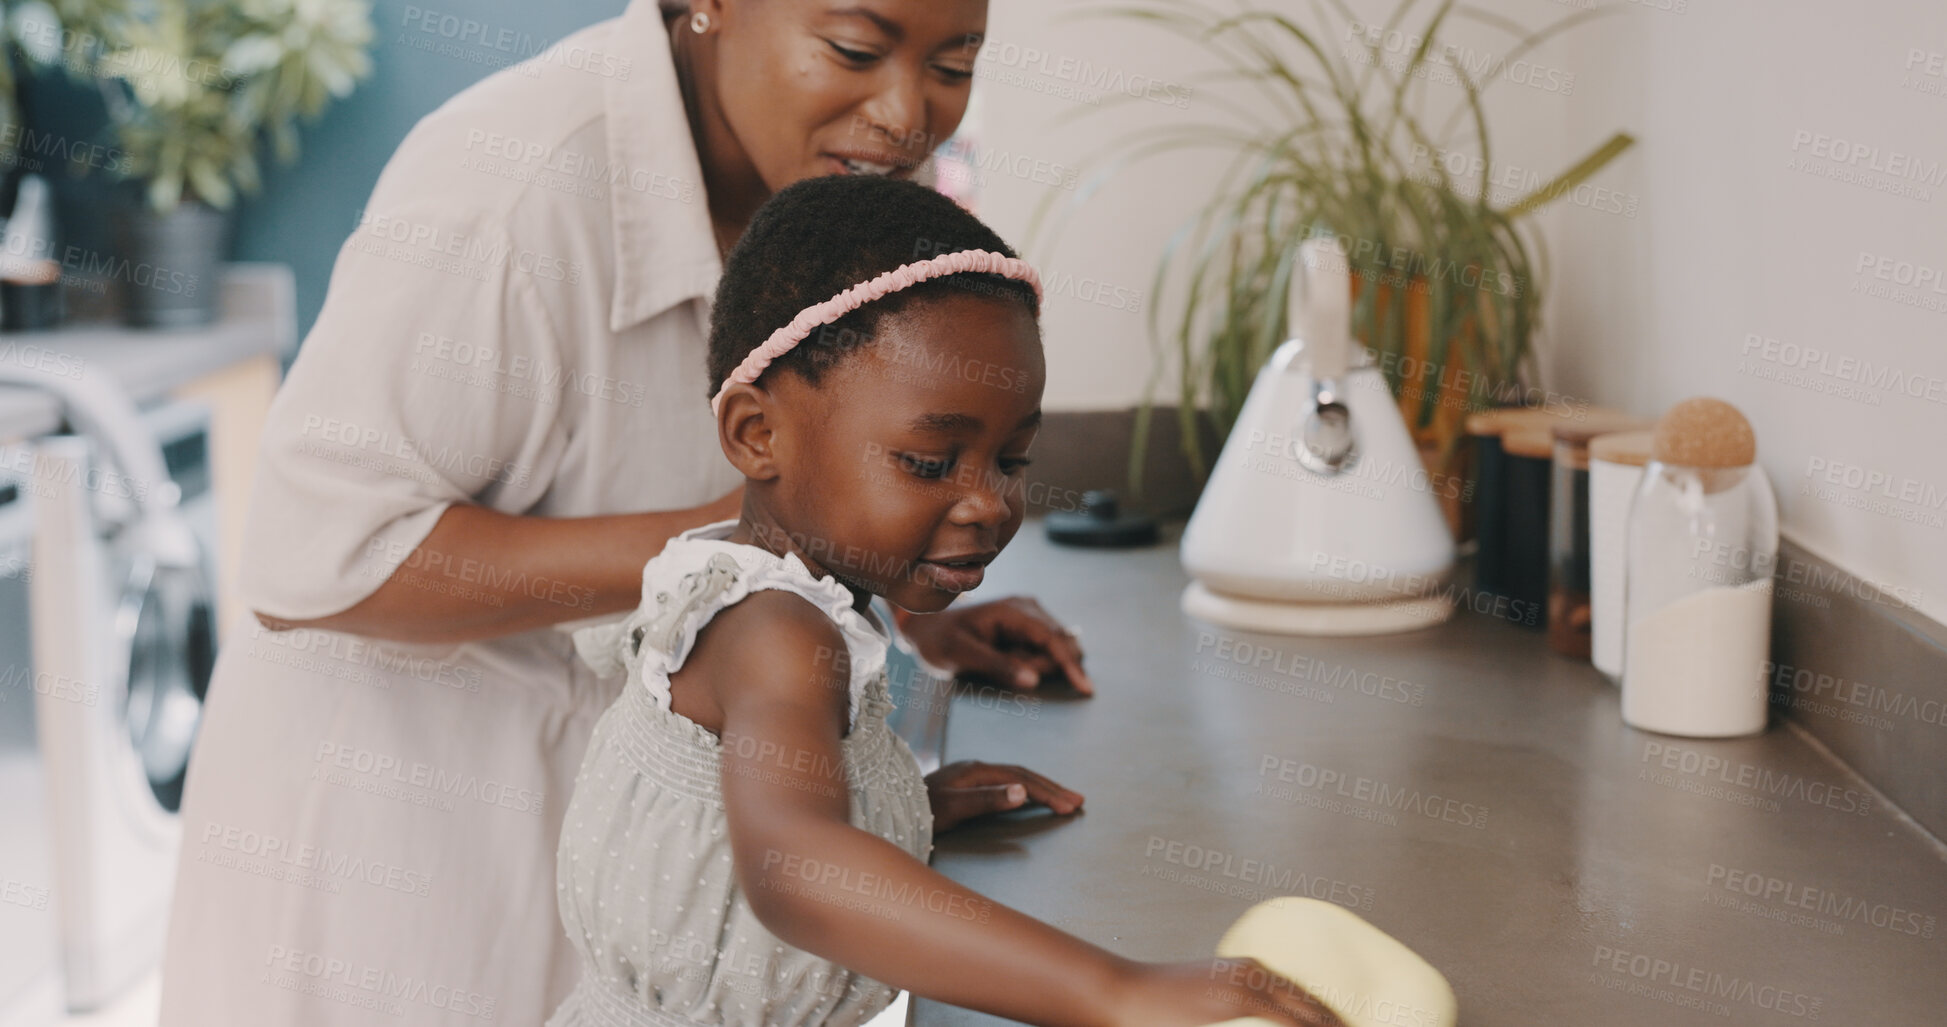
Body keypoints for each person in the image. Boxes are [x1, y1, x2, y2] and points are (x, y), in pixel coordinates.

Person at [159, 3, 1093, 1023]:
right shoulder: (508, 190)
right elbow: (321, 557)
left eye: (954, 63)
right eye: (855, 50)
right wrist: (764, 554)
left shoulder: (849, 181)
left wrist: (889, 601)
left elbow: (817, 464)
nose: (907, 115)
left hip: (628, 861)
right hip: (396, 859)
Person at [549, 174, 1343, 1027]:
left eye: (1011, 459)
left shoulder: (762, 581)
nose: (987, 503)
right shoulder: (773, 630)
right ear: (756, 433)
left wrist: (891, 811)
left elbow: (747, 818)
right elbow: (794, 870)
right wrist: (1118, 989)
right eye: (930, 463)